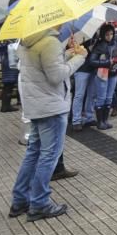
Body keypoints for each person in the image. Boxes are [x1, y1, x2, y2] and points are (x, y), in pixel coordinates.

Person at [9, 28, 87, 222]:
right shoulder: (49, 41)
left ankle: (20, 200)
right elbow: (56, 75)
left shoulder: (30, 38)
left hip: (37, 105)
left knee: (33, 153)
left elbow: (44, 64)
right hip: (51, 107)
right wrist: (80, 57)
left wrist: (69, 52)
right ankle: (40, 203)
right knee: (49, 155)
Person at [88, 24, 117, 131]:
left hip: (113, 73)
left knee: (109, 97)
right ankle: (100, 121)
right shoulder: (99, 45)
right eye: (107, 34)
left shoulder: (115, 43)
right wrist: (106, 62)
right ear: (103, 35)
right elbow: (91, 61)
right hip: (102, 74)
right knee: (101, 97)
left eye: (111, 34)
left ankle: (105, 120)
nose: (109, 36)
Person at [0, 39, 20, 113]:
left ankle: (5, 105)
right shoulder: (10, 44)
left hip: (6, 63)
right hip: (11, 64)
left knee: (7, 86)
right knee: (9, 86)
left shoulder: (2, 42)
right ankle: (5, 106)